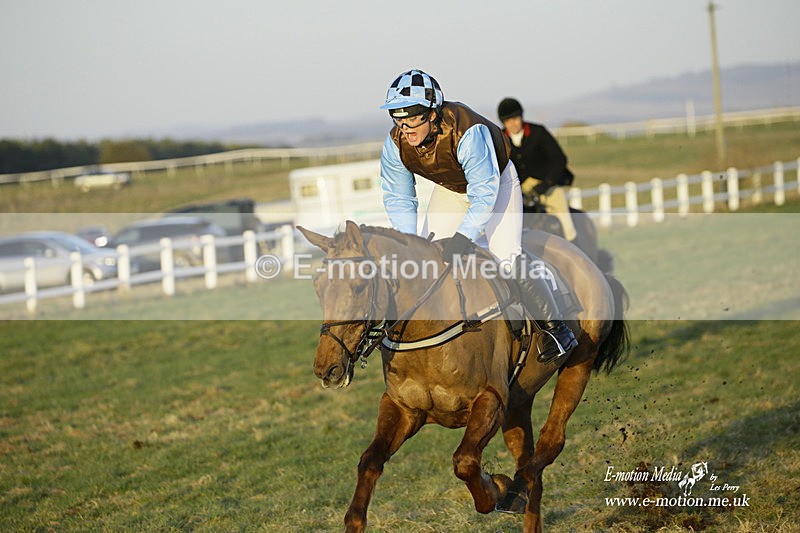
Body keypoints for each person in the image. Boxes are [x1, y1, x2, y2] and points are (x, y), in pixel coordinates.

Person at [379, 69, 577, 362]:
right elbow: (399, 198)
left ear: (432, 114)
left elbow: (484, 193)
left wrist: (464, 236)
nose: (405, 128)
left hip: (496, 181)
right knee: (426, 258)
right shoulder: (395, 144)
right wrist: (408, 243)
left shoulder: (468, 132)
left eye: (412, 119)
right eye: (398, 119)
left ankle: (556, 330)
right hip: (451, 188)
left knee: (506, 257)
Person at [497, 97, 578, 242]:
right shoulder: (500, 139)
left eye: (515, 118)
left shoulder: (538, 132)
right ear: (503, 122)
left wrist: (547, 183)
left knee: (561, 209)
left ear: (521, 116)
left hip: (545, 184)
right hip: (517, 187)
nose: (513, 123)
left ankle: (572, 241)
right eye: (508, 121)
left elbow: (559, 159)